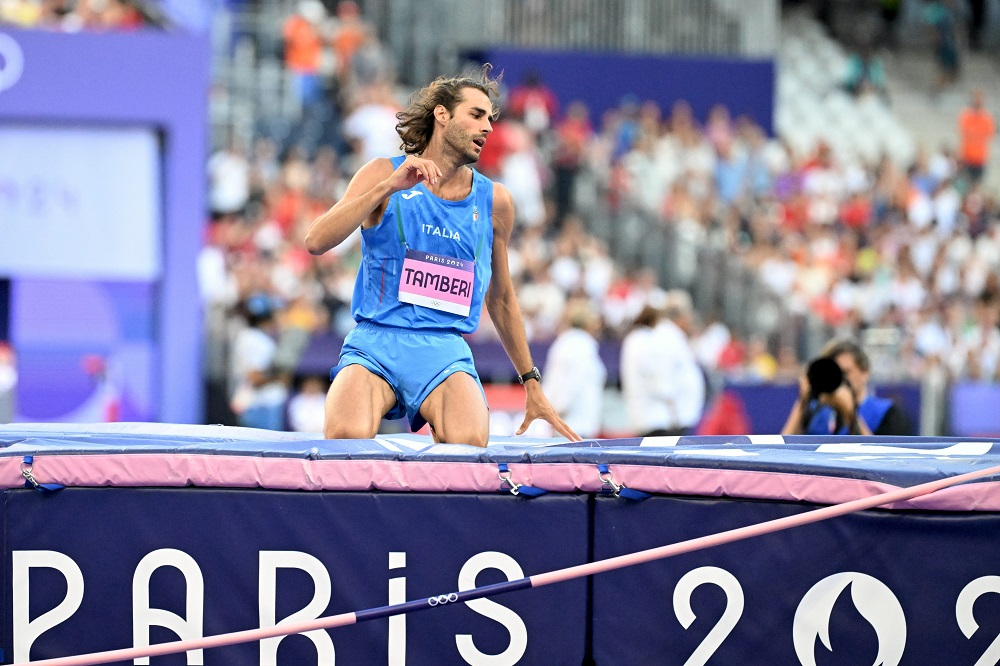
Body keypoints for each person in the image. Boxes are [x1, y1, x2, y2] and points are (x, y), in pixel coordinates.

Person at [304, 64, 580, 446]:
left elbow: (500, 298)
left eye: (491, 119)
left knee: (469, 446)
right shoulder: (383, 172)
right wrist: (387, 187)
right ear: (442, 114)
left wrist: (531, 381)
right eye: (477, 115)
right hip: (376, 342)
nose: (487, 127)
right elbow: (316, 240)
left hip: (444, 349)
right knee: (346, 438)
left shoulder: (496, 201)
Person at [780, 339, 912, 436]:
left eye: (845, 372)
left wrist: (850, 413)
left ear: (864, 373)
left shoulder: (886, 412)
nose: (839, 379)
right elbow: (783, 451)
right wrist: (803, 400)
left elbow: (885, 462)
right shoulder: (816, 411)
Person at [539, 298, 607, 439]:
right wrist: (559, 413)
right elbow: (572, 383)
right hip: (576, 425)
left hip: (570, 424)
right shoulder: (580, 345)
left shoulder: (564, 343)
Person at [957, 88, 996, 187]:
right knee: (964, 185)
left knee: (977, 186)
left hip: (980, 159)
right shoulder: (966, 115)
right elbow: (963, 132)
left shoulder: (987, 118)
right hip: (967, 157)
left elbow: (989, 135)